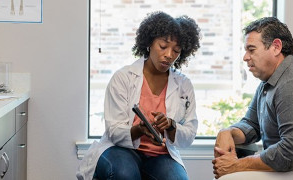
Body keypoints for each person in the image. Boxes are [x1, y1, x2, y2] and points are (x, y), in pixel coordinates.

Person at [76, 11, 201, 180]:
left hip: (160, 155)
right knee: (125, 174)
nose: (169, 55)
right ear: (149, 42)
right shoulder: (123, 78)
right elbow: (113, 131)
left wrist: (171, 126)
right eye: (163, 47)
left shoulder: (183, 85)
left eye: (176, 50)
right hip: (121, 149)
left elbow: (188, 136)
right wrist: (139, 130)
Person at [212, 17, 293, 180]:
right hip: (287, 165)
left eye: (251, 49)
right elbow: (252, 124)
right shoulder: (269, 81)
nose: (245, 57)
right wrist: (228, 132)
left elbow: (292, 152)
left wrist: (237, 165)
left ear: (276, 47)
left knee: (228, 178)